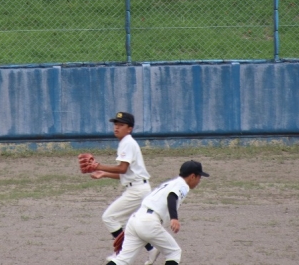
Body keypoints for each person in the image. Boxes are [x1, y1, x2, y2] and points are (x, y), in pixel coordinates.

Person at [88, 111, 160, 265]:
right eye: (115, 124)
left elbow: (122, 168)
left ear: (129, 128)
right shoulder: (126, 142)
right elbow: (125, 173)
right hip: (138, 188)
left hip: (137, 191)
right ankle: (151, 248)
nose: (116, 127)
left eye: (121, 125)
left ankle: (122, 254)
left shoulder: (127, 143)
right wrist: (104, 174)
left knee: (110, 217)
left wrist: (98, 166)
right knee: (133, 224)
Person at [106, 160, 209, 265]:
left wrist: (135, 226)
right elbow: (172, 197)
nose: (199, 181)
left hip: (135, 220)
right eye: (199, 177)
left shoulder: (170, 183)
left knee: (122, 260)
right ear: (192, 176)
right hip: (148, 222)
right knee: (174, 252)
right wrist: (174, 218)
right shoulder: (183, 185)